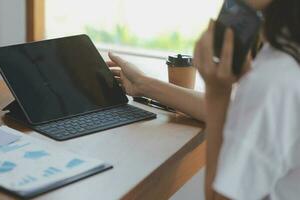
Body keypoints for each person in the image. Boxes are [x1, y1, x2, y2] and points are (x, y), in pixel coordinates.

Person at [107, 0, 300, 199]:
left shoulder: (274, 81)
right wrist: (145, 84)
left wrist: (218, 94)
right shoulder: (286, 60)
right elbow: (245, 114)